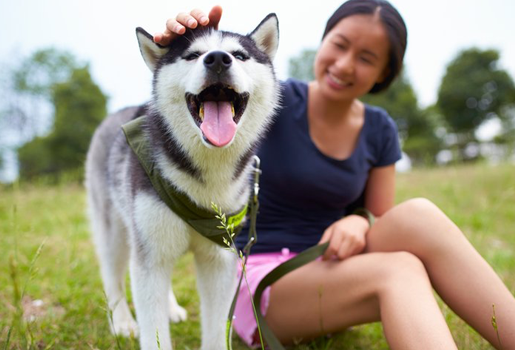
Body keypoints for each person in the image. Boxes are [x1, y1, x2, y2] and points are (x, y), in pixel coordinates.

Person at [155, 2, 515, 349]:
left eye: (366, 58)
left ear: (383, 75)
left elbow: (379, 217)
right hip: (264, 279)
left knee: (418, 214)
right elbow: (191, 119)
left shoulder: (380, 128)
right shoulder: (264, 98)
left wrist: (359, 222)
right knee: (400, 269)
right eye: (339, 45)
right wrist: (191, 52)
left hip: (332, 263)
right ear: (323, 40)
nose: (344, 65)